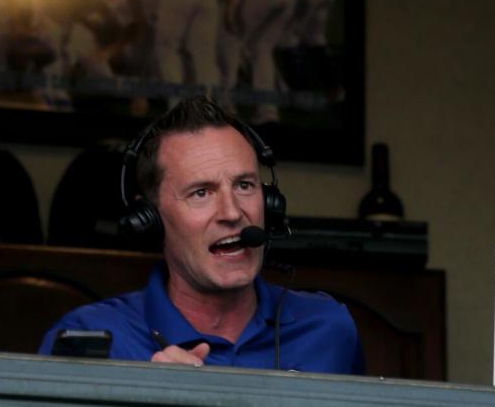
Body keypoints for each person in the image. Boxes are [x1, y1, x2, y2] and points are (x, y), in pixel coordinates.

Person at [38, 96, 364, 373]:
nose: (232, 212)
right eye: (201, 193)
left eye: (244, 185)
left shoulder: (328, 329)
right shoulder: (90, 340)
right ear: (149, 219)